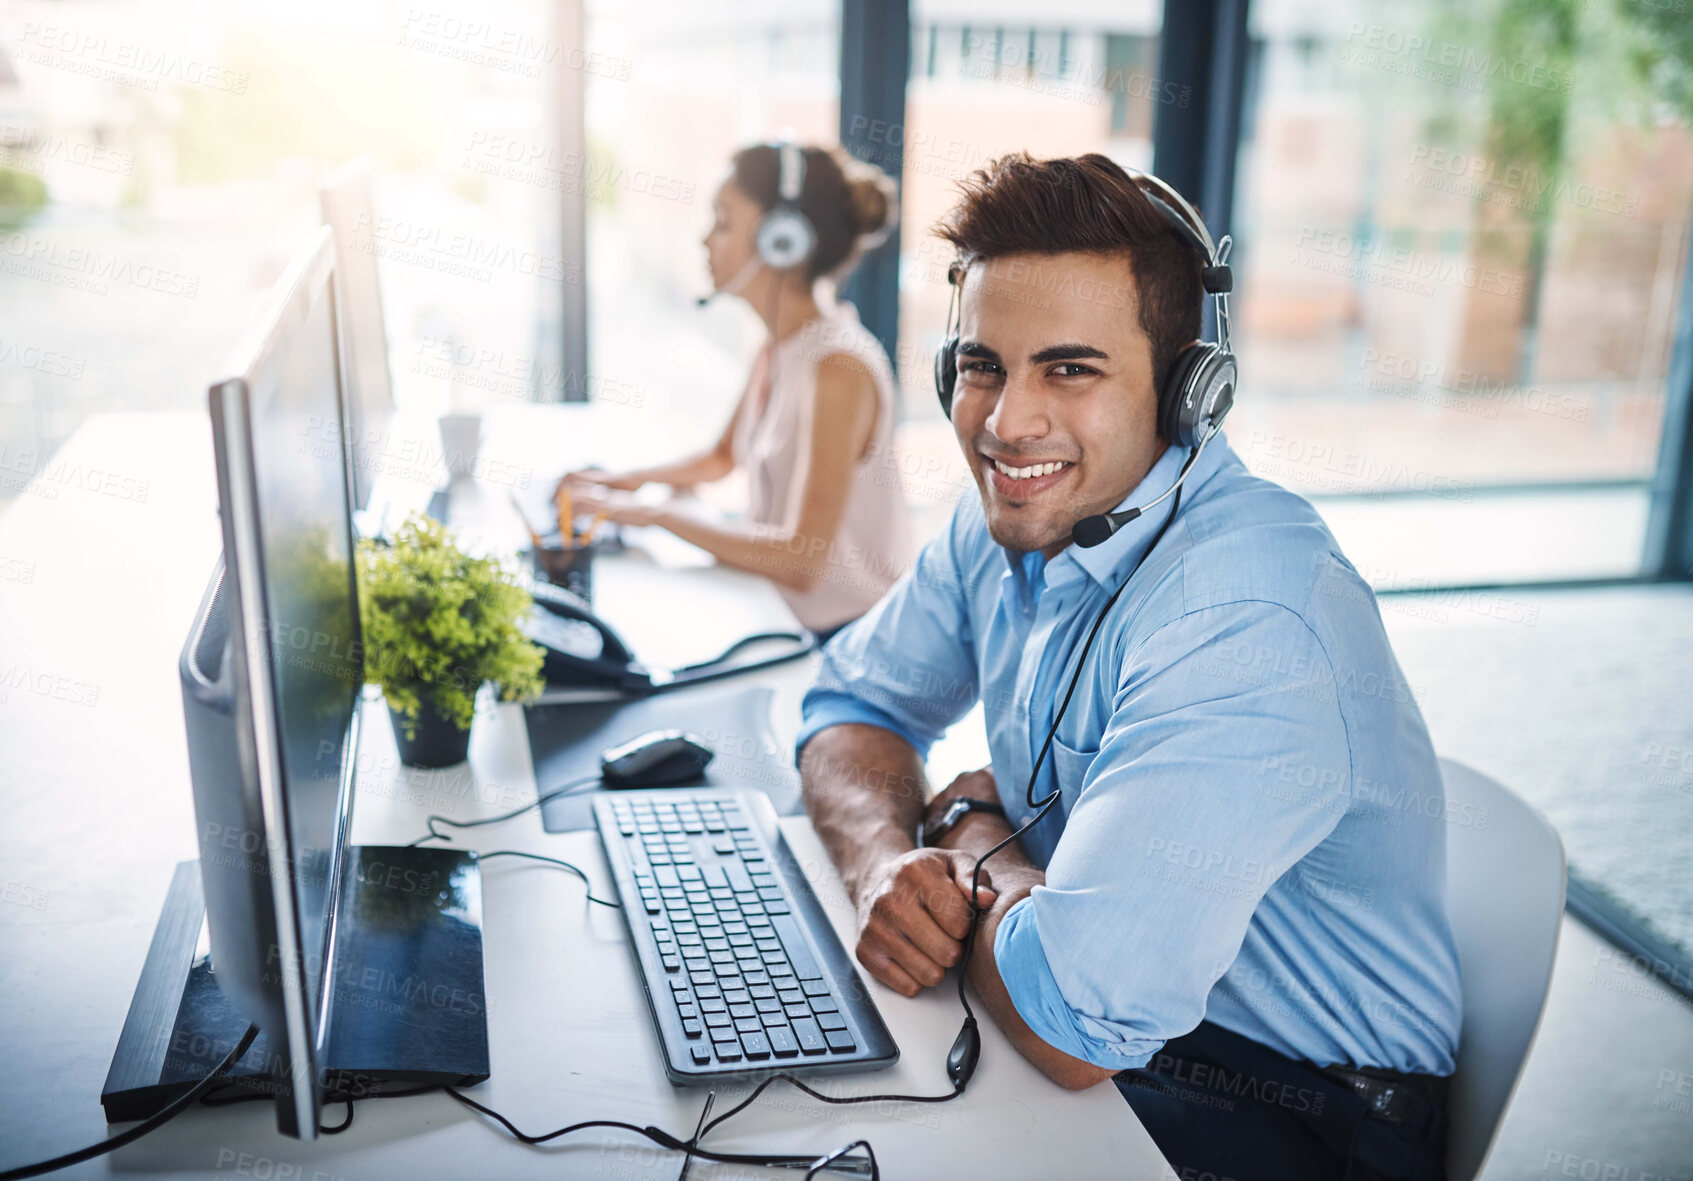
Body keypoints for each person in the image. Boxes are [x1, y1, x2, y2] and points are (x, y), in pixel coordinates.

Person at [795, 153, 1462, 1181]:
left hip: (1292, 1108)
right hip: (1100, 1014)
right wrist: (882, 858)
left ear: (1188, 392)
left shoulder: (1244, 617)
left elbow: (1071, 1020)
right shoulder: (1008, 519)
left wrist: (972, 836)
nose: (1006, 422)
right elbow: (851, 701)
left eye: (1070, 367)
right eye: (981, 365)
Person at [556, 142, 915, 641]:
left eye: (723, 222)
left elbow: (802, 559)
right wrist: (620, 484)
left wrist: (656, 514)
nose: (705, 241)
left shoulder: (838, 369)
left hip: (852, 641)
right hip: (787, 618)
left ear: (781, 240)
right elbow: (723, 456)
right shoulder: (781, 345)